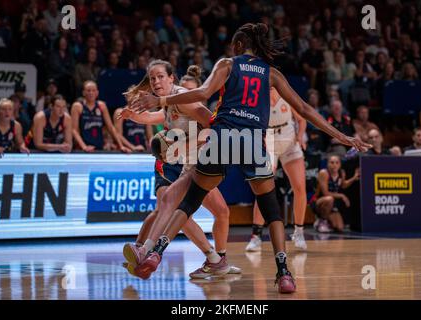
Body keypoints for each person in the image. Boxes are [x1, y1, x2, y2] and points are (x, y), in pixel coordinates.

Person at [130, 23, 370, 293]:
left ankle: (156, 253)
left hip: (222, 138)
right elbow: (303, 108)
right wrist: (343, 136)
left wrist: (161, 102)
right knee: (272, 210)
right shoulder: (271, 73)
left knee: (189, 202)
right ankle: (284, 274)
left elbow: (202, 93)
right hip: (252, 142)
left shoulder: (227, 64)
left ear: (240, 46)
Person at [119, 63, 239, 279]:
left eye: (160, 77)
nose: (156, 82)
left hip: (204, 160)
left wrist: (182, 147)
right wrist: (134, 116)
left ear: (171, 78)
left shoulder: (182, 97)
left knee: (172, 205)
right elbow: (156, 117)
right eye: (152, 78)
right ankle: (216, 260)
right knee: (211, 211)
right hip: (193, 163)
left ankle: (147, 250)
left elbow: (213, 126)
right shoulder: (167, 104)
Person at [245, 87, 308, 252]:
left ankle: (299, 232)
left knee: (300, 188)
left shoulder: (288, 96)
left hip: (289, 140)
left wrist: (300, 136)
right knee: (263, 188)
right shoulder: (258, 100)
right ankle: (256, 236)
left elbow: (302, 120)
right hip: (269, 142)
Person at [70, 80, 130, 153]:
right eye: (88, 90)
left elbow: (110, 127)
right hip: (82, 149)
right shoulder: (77, 106)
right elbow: (74, 130)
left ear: (97, 93)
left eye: (93, 90)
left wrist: (121, 146)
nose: (91, 93)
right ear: (83, 92)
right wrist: (84, 147)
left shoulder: (101, 105)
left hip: (99, 148)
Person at [311, 155, 359, 233]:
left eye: (337, 163)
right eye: (332, 162)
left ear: (340, 165)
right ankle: (321, 221)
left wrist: (354, 178)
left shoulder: (341, 173)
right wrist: (342, 196)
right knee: (329, 199)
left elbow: (343, 185)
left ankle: (328, 221)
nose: (334, 165)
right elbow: (325, 193)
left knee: (339, 227)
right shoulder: (324, 173)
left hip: (332, 204)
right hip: (318, 201)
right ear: (327, 164)